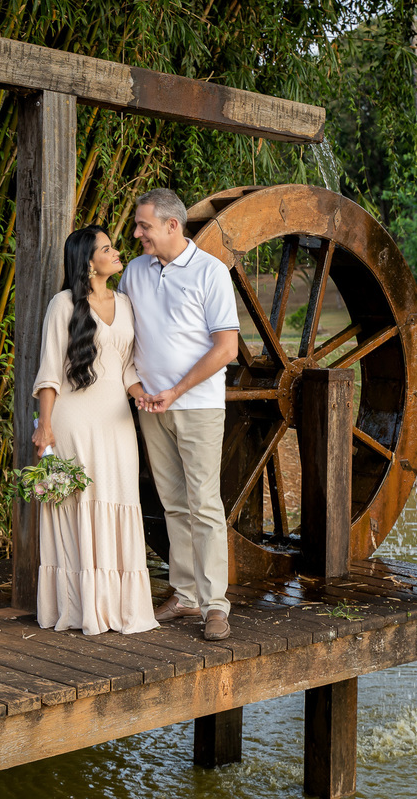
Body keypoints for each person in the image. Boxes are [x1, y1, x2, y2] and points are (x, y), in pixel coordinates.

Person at [118, 188, 239, 642]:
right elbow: (123, 336)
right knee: (172, 502)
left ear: (173, 225)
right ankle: (185, 593)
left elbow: (226, 348)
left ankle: (215, 605)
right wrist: (139, 389)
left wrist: (175, 390)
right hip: (151, 405)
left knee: (204, 504)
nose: (136, 233)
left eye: (144, 225)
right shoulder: (134, 271)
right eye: (137, 225)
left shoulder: (210, 272)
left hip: (198, 405)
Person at [31, 225, 159, 636]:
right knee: (80, 506)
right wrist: (44, 427)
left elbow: (125, 368)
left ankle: (118, 608)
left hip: (118, 422)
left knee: (118, 500)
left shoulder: (125, 302)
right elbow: (49, 373)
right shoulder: (62, 305)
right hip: (74, 423)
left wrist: (145, 397)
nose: (117, 251)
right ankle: (81, 606)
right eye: (108, 248)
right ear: (88, 262)